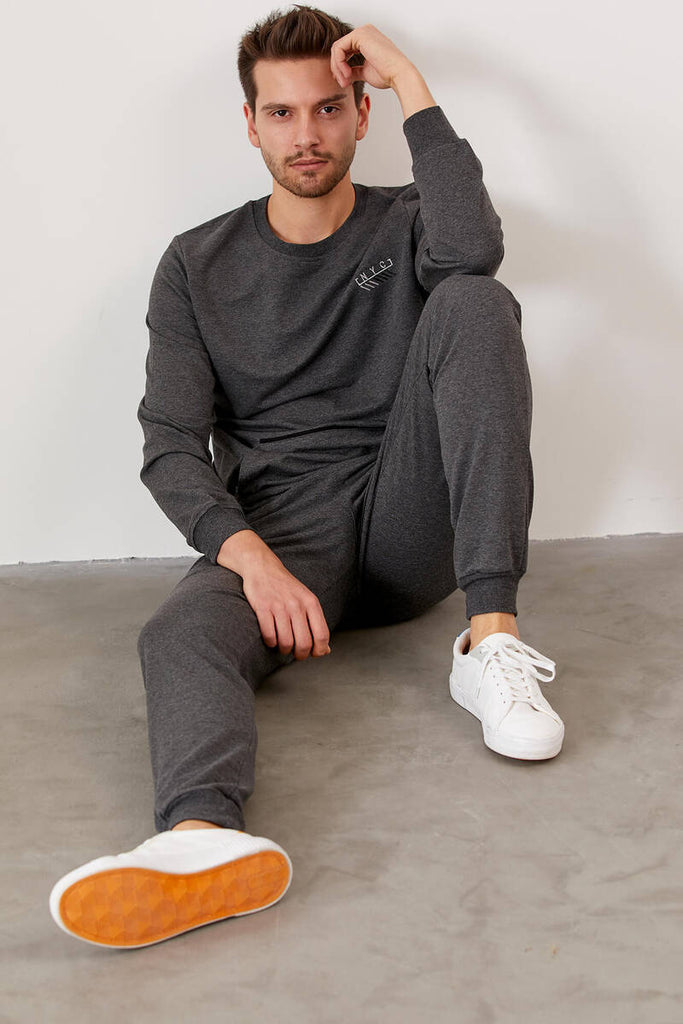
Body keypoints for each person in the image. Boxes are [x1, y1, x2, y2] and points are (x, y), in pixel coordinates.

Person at [49, 4, 564, 951]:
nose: (307, 135)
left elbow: (472, 254)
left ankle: (489, 641)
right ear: (250, 125)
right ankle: (201, 842)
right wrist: (251, 561)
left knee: (475, 301)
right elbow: (170, 439)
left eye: (328, 108)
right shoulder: (196, 263)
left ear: (361, 113)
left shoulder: (408, 222)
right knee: (177, 634)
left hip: (411, 518)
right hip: (287, 538)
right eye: (281, 114)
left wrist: (410, 82)